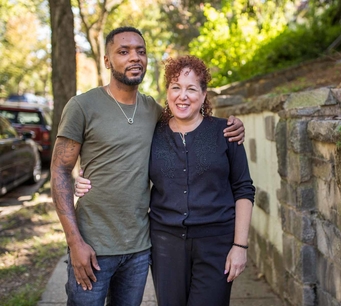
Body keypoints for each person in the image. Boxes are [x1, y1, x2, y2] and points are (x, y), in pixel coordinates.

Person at [51, 27, 244, 306]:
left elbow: (190, 121)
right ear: (107, 60)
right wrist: (74, 242)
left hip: (140, 248)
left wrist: (233, 126)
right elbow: (58, 170)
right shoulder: (82, 106)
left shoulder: (153, 111)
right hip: (93, 246)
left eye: (140, 51)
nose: (134, 58)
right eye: (124, 51)